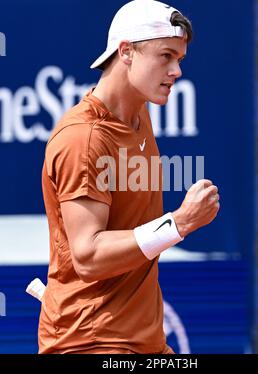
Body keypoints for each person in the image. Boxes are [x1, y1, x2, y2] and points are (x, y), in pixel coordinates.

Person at [38, 0, 220, 354]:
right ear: (126, 52)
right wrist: (178, 224)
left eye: (179, 59)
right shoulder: (84, 138)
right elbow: (88, 257)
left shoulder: (139, 115)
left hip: (143, 342)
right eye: (165, 56)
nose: (176, 71)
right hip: (90, 342)